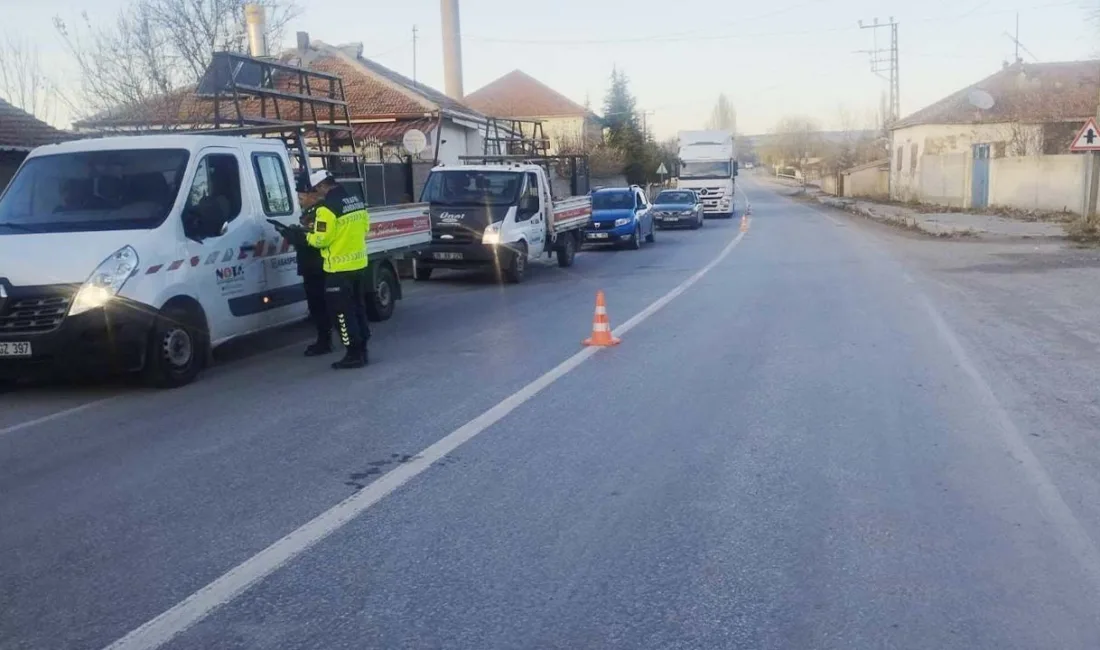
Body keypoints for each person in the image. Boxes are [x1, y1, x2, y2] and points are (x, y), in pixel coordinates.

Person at [300, 170, 371, 369]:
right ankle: (363, 348)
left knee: (341, 314)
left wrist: (306, 236)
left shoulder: (326, 209)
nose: (317, 194)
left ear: (323, 186)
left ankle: (353, 353)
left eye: (316, 190)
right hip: (358, 264)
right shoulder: (356, 201)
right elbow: (366, 227)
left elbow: (321, 240)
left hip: (338, 269)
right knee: (358, 309)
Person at [275, 206, 333, 357]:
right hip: (312, 269)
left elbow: (316, 241)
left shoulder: (320, 216)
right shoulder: (315, 214)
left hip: (317, 269)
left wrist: (295, 236)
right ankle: (326, 339)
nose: (301, 198)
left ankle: (325, 341)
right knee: (318, 308)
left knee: (319, 307)